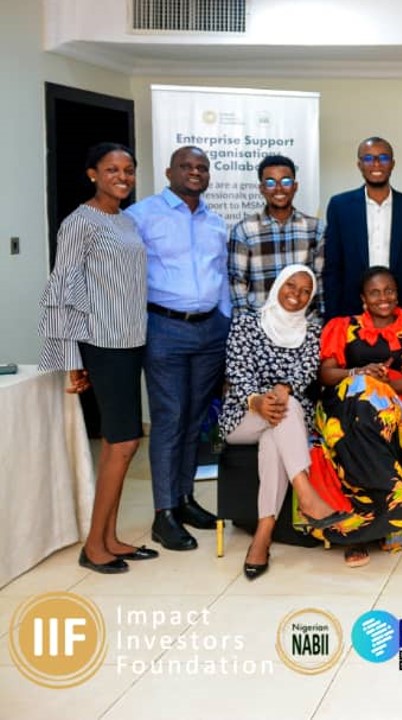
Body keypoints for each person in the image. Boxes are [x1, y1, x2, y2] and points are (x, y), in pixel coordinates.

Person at [39, 142, 154, 574]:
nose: (122, 177)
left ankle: (108, 537)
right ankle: (93, 546)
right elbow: (63, 289)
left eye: (128, 170)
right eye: (112, 170)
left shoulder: (125, 220)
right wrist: (71, 357)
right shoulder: (79, 222)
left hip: (131, 339)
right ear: (92, 174)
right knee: (123, 442)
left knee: (118, 444)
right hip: (102, 343)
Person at [126, 145, 228, 552]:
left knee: (195, 419)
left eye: (202, 167)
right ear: (169, 172)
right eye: (186, 166)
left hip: (210, 331)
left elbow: (220, 276)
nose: (195, 172)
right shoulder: (141, 216)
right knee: (169, 418)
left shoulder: (215, 222)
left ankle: (185, 499)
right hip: (165, 328)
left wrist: (223, 321)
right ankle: (163, 513)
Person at [219, 266, 348, 580]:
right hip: (243, 416)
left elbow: (304, 374)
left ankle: (262, 536)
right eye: (291, 285)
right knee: (285, 411)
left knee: (276, 433)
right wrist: (256, 401)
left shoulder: (312, 331)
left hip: (285, 417)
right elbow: (237, 371)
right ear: (278, 285)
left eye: (306, 291)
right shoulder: (247, 323)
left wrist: (282, 390)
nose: (297, 295)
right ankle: (307, 495)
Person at [312, 267, 402, 568]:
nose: (383, 298)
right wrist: (360, 374)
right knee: (358, 400)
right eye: (375, 292)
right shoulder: (341, 327)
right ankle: (394, 503)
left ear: (397, 294)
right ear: (363, 299)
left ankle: (362, 527)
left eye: (389, 290)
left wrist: (384, 384)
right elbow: (326, 375)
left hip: (398, 409)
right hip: (343, 409)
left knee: (365, 409)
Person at [323, 137, 402, 320]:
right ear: (359, 165)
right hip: (352, 312)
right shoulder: (340, 206)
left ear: (392, 164)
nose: (376, 164)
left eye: (383, 158)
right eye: (368, 158)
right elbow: (333, 268)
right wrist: (333, 319)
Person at [228, 154, 325, 316]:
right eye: (270, 183)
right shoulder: (244, 230)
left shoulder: (315, 228)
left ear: (295, 186)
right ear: (261, 188)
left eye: (286, 182)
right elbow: (237, 282)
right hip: (260, 323)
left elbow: (320, 279)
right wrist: (248, 323)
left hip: (303, 322)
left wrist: (319, 319)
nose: (279, 188)